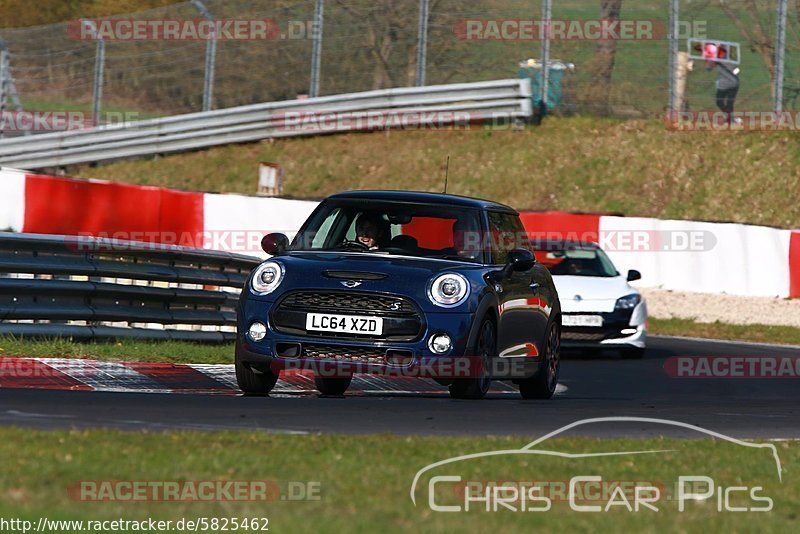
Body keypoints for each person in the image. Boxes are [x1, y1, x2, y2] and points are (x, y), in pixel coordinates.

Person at [704, 43, 740, 124]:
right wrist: (709, 61)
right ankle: (731, 119)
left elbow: (735, 70)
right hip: (723, 84)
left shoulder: (726, 59)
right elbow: (708, 68)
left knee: (729, 103)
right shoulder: (715, 59)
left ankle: (731, 120)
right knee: (720, 102)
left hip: (732, 84)